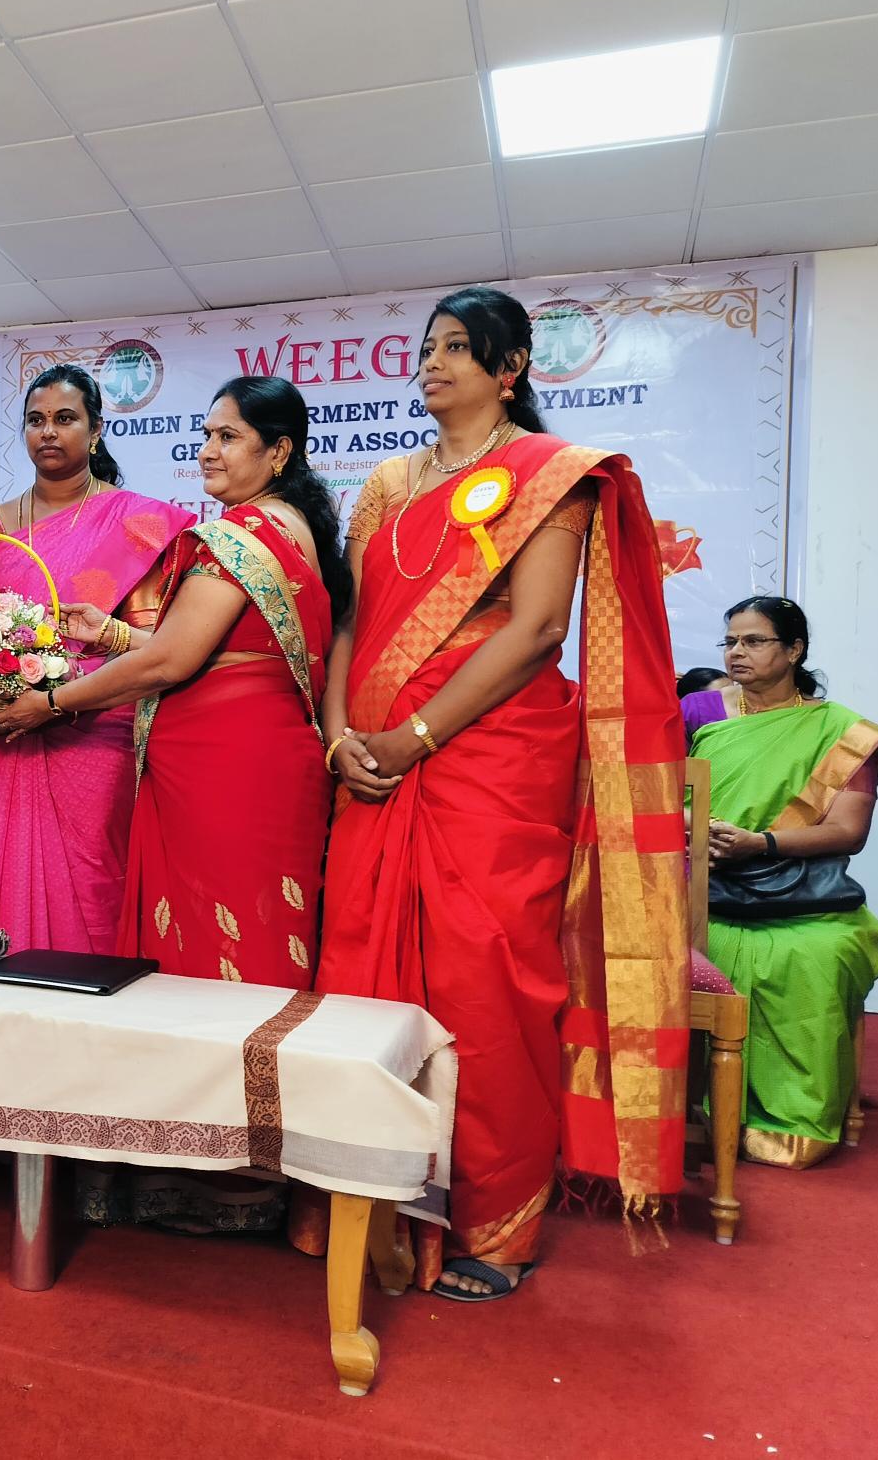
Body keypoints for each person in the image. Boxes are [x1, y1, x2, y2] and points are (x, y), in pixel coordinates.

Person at [305, 286, 688, 1299]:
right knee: (362, 974)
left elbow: (536, 630)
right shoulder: (386, 482)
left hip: (488, 758)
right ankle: (367, 1197)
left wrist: (416, 735)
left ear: (510, 367)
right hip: (372, 763)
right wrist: (339, 736)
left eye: (456, 348)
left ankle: (493, 1221)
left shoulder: (547, 473)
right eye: (426, 348)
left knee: (484, 984)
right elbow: (352, 624)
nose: (431, 364)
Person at [0, 374, 347, 1236]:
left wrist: (49, 703)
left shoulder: (240, 535)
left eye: (228, 437)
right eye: (207, 435)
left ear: (278, 452)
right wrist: (110, 631)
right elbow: (205, 644)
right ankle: (242, 1167)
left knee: (218, 963)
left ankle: (229, 1180)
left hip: (226, 768)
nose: (208, 451)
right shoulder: (292, 529)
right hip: (254, 761)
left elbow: (171, 662)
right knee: (253, 949)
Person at [0, 364, 192, 953]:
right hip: (1, 736)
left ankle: (87, 995)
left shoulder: (138, 523)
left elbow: (153, 643)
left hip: (94, 731)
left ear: (97, 428)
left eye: (65, 419)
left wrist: (58, 696)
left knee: (92, 880)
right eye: (36, 420)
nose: (49, 432)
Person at [686, 596, 878, 1168]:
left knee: (819, 956)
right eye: (730, 641)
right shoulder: (698, 712)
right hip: (705, 892)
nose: (737, 652)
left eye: (754, 641)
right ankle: (694, 1113)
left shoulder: (842, 731)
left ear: (795, 649)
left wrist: (760, 843)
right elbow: (655, 790)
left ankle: (790, 1122)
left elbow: (848, 831)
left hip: (805, 900)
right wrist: (691, 828)